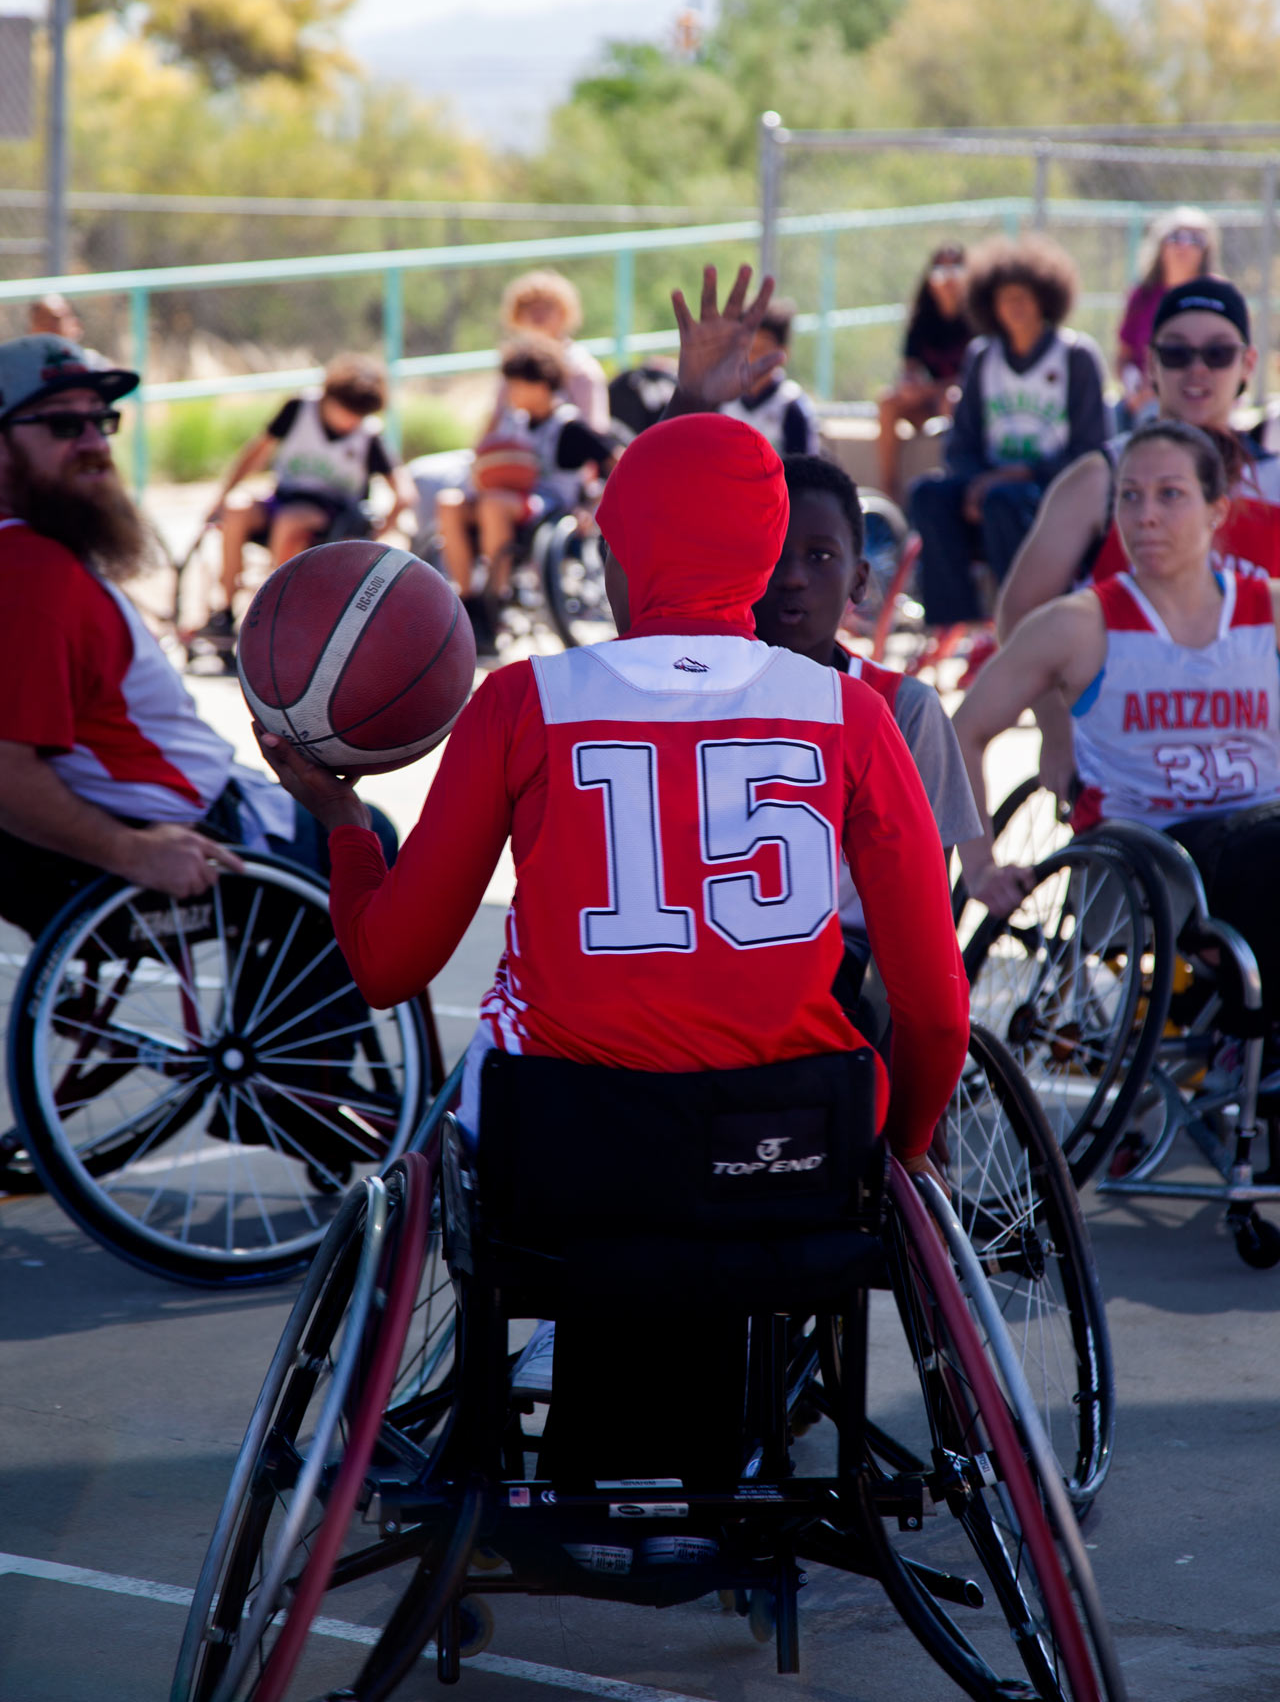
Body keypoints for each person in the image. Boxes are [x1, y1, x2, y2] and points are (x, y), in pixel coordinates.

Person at [257, 266, 969, 1179]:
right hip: (785, 1143)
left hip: (568, 1139)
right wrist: (905, 1148)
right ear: (764, 562)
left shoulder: (521, 702)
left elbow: (388, 968)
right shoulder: (854, 717)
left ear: (613, 560)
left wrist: (349, 828)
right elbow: (938, 1015)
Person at [0, 333, 395, 943]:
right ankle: (302, 1044)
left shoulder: (38, 559)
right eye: (60, 425)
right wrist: (127, 851)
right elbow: (8, 771)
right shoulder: (31, 576)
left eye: (101, 423)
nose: (93, 445)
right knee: (369, 839)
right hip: (179, 827)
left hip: (168, 807)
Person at [952, 419, 1280, 1027]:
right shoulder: (1078, 625)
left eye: (1170, 494)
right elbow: (962, 732)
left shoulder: (1268, 612)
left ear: (1217, 511)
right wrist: (980, 868)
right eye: (1129, 495)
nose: (1145, 515)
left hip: (1258, 834)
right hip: (1146, 855)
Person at [997, 276, 1280, 798]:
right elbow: (1020, 610)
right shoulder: (1101, 477)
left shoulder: (1275, 482)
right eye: (1177, 353)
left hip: (1254, 766)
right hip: (1126, 773)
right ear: (1150, 363)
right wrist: (1055, 731)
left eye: (1218, 353)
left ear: (1247, 365)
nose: (1197, 369)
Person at [752, 451, 981, 1005]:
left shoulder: (906, 711)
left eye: (820, 555)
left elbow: (925, 914)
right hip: (708, 956)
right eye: (773, 555)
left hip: (840, 968)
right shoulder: (694, 692)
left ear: (859, 581)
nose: (793, 577)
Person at [909, 234, 1110, 630]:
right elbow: (961, 441)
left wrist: (1018, 475)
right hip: (991, 487)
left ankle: (1015, 621)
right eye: (1005, 298)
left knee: (1003, 500)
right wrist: (971, 483)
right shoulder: (983, 357)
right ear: (989, 305)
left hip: (1052, 492)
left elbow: (1093, 451)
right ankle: (955, 624)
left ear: (1046, 299)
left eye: (1024, 297)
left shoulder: (1075, 356)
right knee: (927, 494)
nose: (1015, 306)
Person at [202, 354, 417, 643]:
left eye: (358, 416)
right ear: (328, 398)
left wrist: (379, 533)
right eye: (346, 411)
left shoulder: (368, 434)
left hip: (333, 512)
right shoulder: (299, 408)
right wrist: (220, 498)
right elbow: (255, 455)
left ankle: (273, 608)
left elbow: (404, 494)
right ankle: (224, 610)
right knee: (236, 509)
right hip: (284, 498)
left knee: (291, 520)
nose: (350, 421)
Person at [435, 334, 618, 646]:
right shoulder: (511, 422)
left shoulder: (569, 426)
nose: (510, 392)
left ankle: (497, 599)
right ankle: (469, 598)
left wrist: (592, 505)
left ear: (541, 385)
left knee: (493, 503)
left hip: (548, 506)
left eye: (516, 384)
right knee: (449, 502)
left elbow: (617, 461)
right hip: (507, 498)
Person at [877, 245, 972, 504]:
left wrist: (932, 389)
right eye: (941, 270)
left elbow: (973, 381)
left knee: (951, 398)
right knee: (887, 402)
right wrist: (910, 385)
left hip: (962, 408)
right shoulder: (922, 319)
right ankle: (889, 490)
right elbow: (910, 369)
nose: (949, 279)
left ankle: (952, 480)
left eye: (956, 269)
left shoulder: (976, 319)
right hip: (929, 403)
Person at [1115, 208, 1218, 424]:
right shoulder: (1142, 296)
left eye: (1195, 239)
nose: (1184, 245)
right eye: (1176, 237)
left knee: (1152, 418)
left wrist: (1158, 394)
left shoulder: (1216, 297)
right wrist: (1132, 387)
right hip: (1139, 399)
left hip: (1191, 401)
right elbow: (1123, 357)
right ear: (1160, 245)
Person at [485, 269, 610, 435]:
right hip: (517, 455)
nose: (537, 315)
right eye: (528, 307)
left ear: (564, 312)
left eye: (547, 307)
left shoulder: (580, 367)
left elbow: (595, 430)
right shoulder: (515, 366)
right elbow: (496, 418)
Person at [717, 297, 822, 457]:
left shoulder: (791, 406)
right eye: (746, 348)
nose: (752, 358)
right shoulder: (722, 401)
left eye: (762, 349)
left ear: (783, 352)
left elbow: (804, 474)